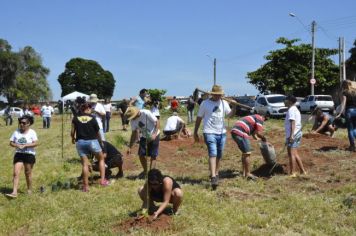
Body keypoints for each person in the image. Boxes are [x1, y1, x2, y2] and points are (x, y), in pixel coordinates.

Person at [194, 85, 236, 189]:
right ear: (212, 94)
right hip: (209, 132)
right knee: (213, 153)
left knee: (219, 155)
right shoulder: (205, 103)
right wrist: (195, 132)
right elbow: (199, 118)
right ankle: (213, 177)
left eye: (220, 95)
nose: (218, 96)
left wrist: (234, 107)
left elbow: (229, 115)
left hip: (221, 132)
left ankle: (216, 173)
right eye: (216, 95)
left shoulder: (224, 103)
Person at [71, 103, 109, 192]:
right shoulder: (93, 118)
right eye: (90, 108)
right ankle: (102, 181)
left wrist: (73, 139)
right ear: (87, 109)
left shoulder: (75, 118)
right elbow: (97, 132)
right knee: (101, 159)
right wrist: (100, 142)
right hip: (93, 141)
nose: (91, 110)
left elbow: (72, 132)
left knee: (84, 164)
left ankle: (86, 186)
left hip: (80, 142)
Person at [6, 115, 38, 198]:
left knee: (28, 173)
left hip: (29, 154)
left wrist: (26, 145)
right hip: (19, 154)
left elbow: (36, 143)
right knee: (15, 173)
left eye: (24, 123)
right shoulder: (16, 132)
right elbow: (11, 142)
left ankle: (29, 189)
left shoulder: (32, 132)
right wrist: (16, 144)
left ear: (29, 124)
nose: (21, 124)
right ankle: (14, 192)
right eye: (20, 122)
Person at [125, 107, 160, 178]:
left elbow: (157, 121)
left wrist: (154, 134)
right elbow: (134, 133)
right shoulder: (132, 121)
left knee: (153, 155)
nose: (133, 118)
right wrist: (130, 146)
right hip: (144, 136)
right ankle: (145, 171)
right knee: (141, 154)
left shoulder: (146, 113)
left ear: (137, 113)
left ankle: (151, 174)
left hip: (154, 135)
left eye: (133, 116)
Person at [231, 114, 267, 180]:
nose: (263, 122)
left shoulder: (253, 117)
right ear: (264, 117)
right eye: (265, 120)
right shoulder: (260, 118)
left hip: (235, 131)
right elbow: (259, 133)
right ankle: (248, 174)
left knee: (244, 153)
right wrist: (264, 138)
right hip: (241, 132)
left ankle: (244, 173)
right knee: (247, 153)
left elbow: (254, 135)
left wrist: (258, 139)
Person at [284, 95, 306, 177]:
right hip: (296, 133)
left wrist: (291, 136)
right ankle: (302, 171)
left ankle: (292, 172)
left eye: (285, 100)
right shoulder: (294, 109)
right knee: (295, 153)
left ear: (289, 101)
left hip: (293, 134)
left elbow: (293, 122)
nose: (284, 102)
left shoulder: (291, 110)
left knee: (291, 154)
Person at [336, 80, 356, 151]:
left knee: (350, 129)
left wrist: (340, 113)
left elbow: (343, 104)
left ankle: (352, 146)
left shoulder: (345, 92)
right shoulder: (354, 91)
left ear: (343, 85)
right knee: (355, 128)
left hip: (349, 112)